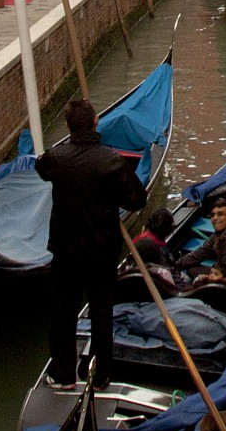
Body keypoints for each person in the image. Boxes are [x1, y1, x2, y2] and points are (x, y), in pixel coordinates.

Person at [35, 96, 146, 387]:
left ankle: (63, 375)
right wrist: (111, 194)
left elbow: (40, 168)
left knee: (63, 314)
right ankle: (100, 377)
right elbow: (137, 199)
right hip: (101, 251)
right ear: (96, 122)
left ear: (68, 126)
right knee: (101, 313)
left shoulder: (56, 159)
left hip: (66, 252)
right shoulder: (112, 161)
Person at [172, 200, 226, 283]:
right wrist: (173, 266)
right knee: (192, 269)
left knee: (196, 273)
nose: (215, 218)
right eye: (212, 215)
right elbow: (199, 254)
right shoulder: (218, 234)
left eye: (220, 214)